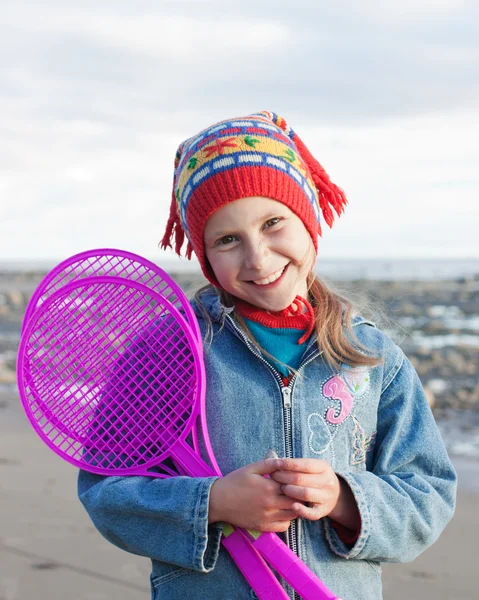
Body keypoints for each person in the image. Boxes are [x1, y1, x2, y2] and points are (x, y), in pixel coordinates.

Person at [78, 110, 457, 600]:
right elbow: (106, 490)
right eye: (228, 239)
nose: (257, 258)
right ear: (204, 255)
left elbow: (428, 491)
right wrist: (212, 501)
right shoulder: (168, 351)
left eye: (273, 222)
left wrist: (346, 498)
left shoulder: (372, 357)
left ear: (309, 216)